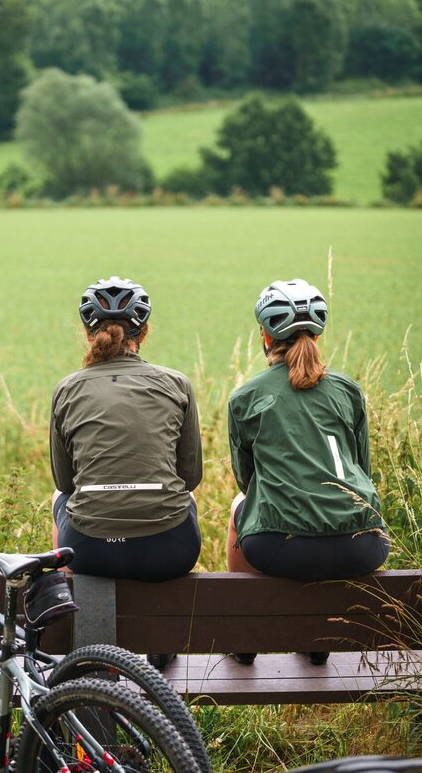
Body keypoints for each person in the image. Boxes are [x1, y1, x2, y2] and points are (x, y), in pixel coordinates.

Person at [225, 279, 390, 664]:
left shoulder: (247, 397)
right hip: (365, 545)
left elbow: (248, 483)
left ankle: (245, 638)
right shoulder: (347, 390)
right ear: (318, 332)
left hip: (284, 551)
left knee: (240, 507)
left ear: (265, 336)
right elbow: (361, 470)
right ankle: (316, 644)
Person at [50, 276, 202, 595]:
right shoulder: (176, 385)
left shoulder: (66, 389)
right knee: (183, 497)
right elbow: (189, 478)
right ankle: (163, 638)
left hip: (88, 551)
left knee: (59, 498)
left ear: (88, 332)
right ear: (143, 332)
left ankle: (77, 619)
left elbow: (65, 483)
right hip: (170, 550)